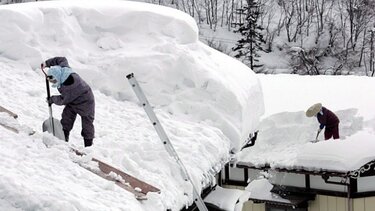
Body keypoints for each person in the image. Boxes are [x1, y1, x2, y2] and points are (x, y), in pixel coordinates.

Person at [42, 57, 95, 147]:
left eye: (53, 80)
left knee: (87, 125)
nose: (52, 83)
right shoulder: (64, 69)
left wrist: (52, 99)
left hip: (86, 102)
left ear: (57, 77)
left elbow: (63, 100)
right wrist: (47, 63)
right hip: (73, 101)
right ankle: (63, 139)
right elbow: (62, 59)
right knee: (66, 119)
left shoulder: (69, 85)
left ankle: (88, 146)